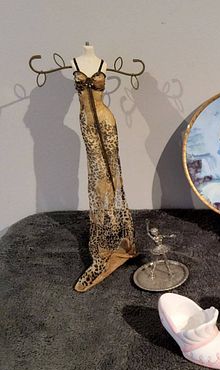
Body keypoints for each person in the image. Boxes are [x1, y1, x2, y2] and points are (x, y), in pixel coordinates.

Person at [72, 44, 136, 292]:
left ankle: (116, 234)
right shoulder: (75, 62)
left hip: (105, 120)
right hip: (86, 122)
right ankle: (104, 240)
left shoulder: (102, 64)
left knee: (111, 175)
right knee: (96, 177)